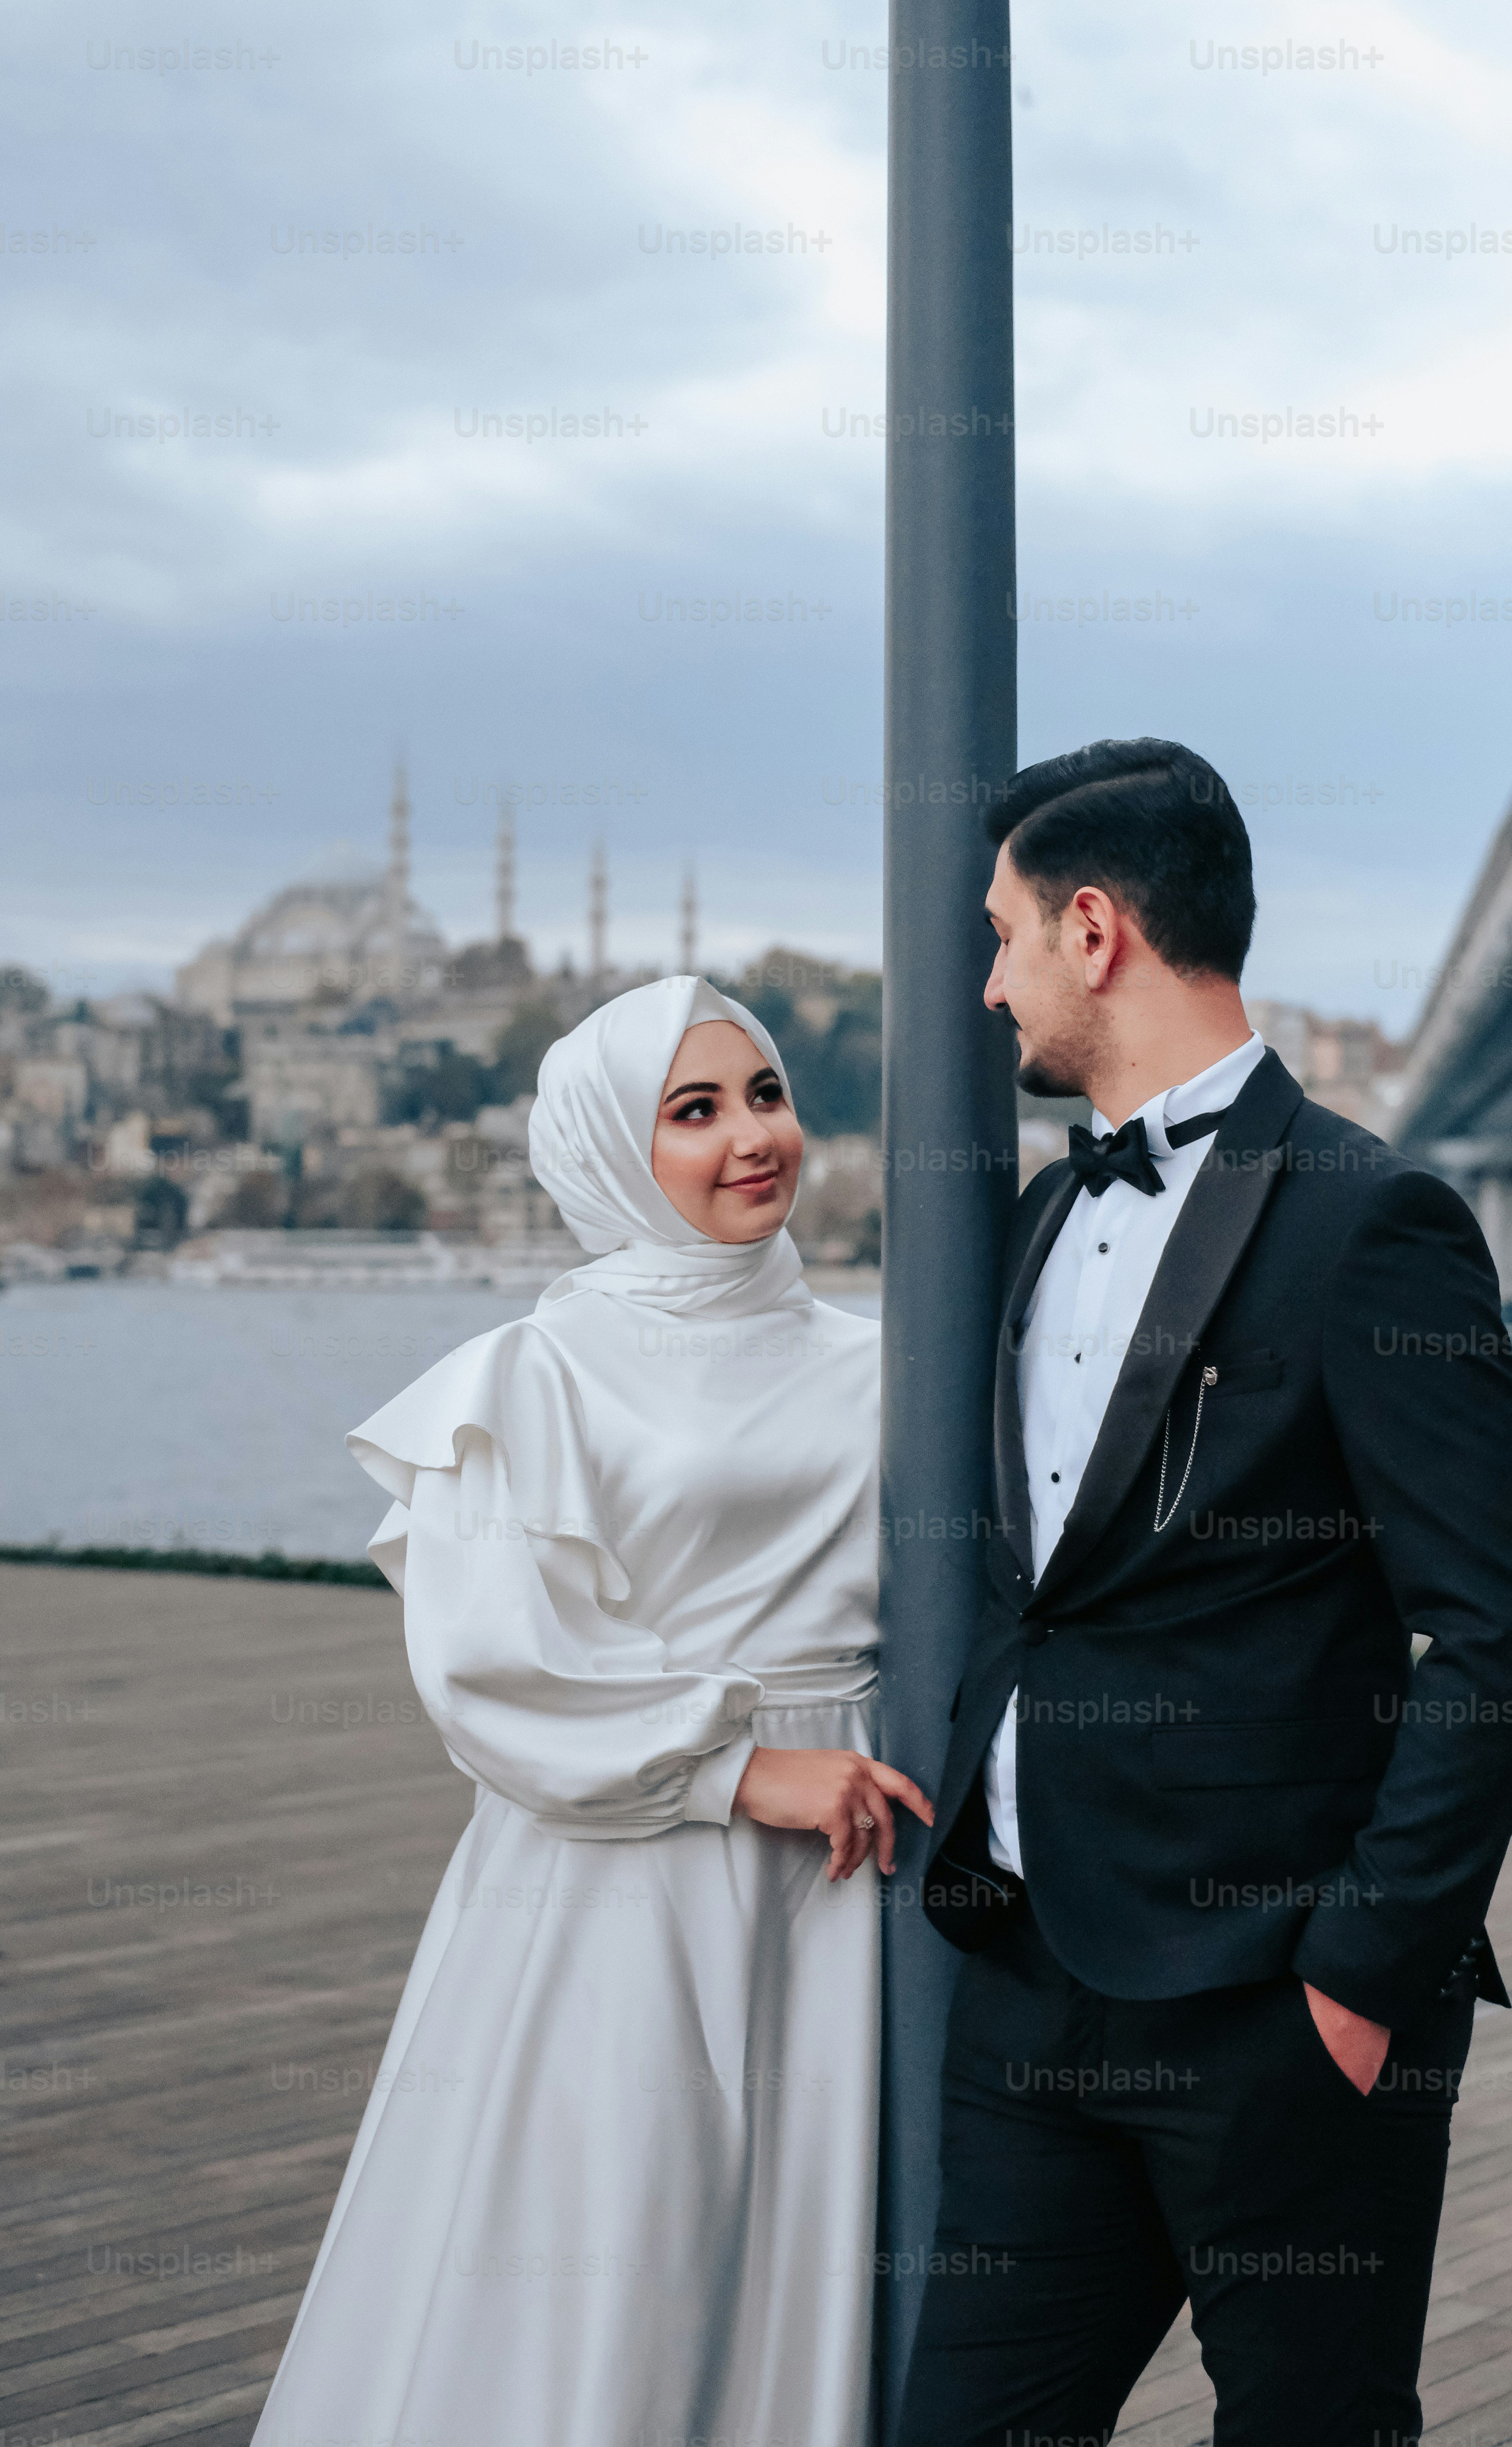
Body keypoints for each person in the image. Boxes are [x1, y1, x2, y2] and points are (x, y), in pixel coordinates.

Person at [899, 739, 1512, 2447]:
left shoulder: (1376, 1222)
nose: (987, 984)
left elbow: (1502, 1628)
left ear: (1096, 929)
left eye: (1001, 935)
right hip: (1032, 1980)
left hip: (1275, 2012)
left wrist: (1357, 1975)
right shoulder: (1054, 1205)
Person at [251, 973, 929, 2447]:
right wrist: (744, 1771)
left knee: (799, 2259)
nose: (754, 1137)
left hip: (848, 1878)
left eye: (766, 1094)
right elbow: (491, 1663)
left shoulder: (886, 1358)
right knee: (623, 2268)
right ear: (610, 1152)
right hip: (628, 1872)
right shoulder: (535, 1371)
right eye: (694, 1111)